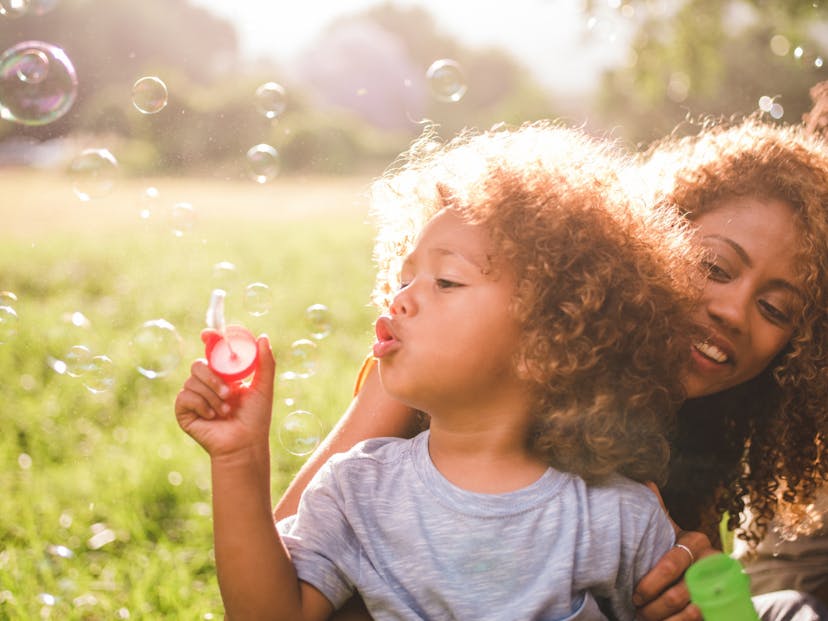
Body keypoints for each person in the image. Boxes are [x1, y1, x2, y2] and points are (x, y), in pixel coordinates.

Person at [272, 114, 828, 621]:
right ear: (648, 245)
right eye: (715, 266)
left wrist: (700, 586)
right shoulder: (449, 368)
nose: (733, 312)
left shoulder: (714, 425)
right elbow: (288, 555)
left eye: (776, 309)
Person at [174, 120, 706, 620]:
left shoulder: (615, 516)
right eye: (402, 281)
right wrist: (240, 459)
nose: (400, 301)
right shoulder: (357, 489)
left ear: (550, 336)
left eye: (446, 281)